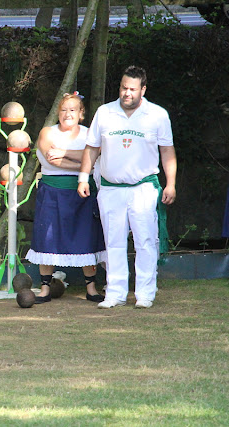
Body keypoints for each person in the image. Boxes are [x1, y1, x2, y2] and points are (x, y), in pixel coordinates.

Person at [78, 66, 177, 309]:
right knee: (113, 241)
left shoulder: (157, 115)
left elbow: (167, 151)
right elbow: (92, 147)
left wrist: (171, 184)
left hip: (143, 187)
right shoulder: (105, 112)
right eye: (124, 88)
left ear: (143, 89)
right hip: (111, 188)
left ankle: (145, 293)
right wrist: (83, 177)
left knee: (145, 240)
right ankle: (115, 293)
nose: (127, 93)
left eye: (132, 89)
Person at [25, 92, 106, 304]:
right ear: (58, 113)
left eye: (72, 110)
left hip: (84, 191)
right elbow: (52, 162)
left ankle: (91, 287)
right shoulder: (47, 132)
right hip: (52, 191)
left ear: (81, 114)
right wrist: (83, 161)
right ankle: (44, 289)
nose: (67, 114)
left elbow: (96, 155)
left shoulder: (90, 134)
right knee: (47, 239)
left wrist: (65, 152)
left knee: (86, 237)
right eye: (63, 110)